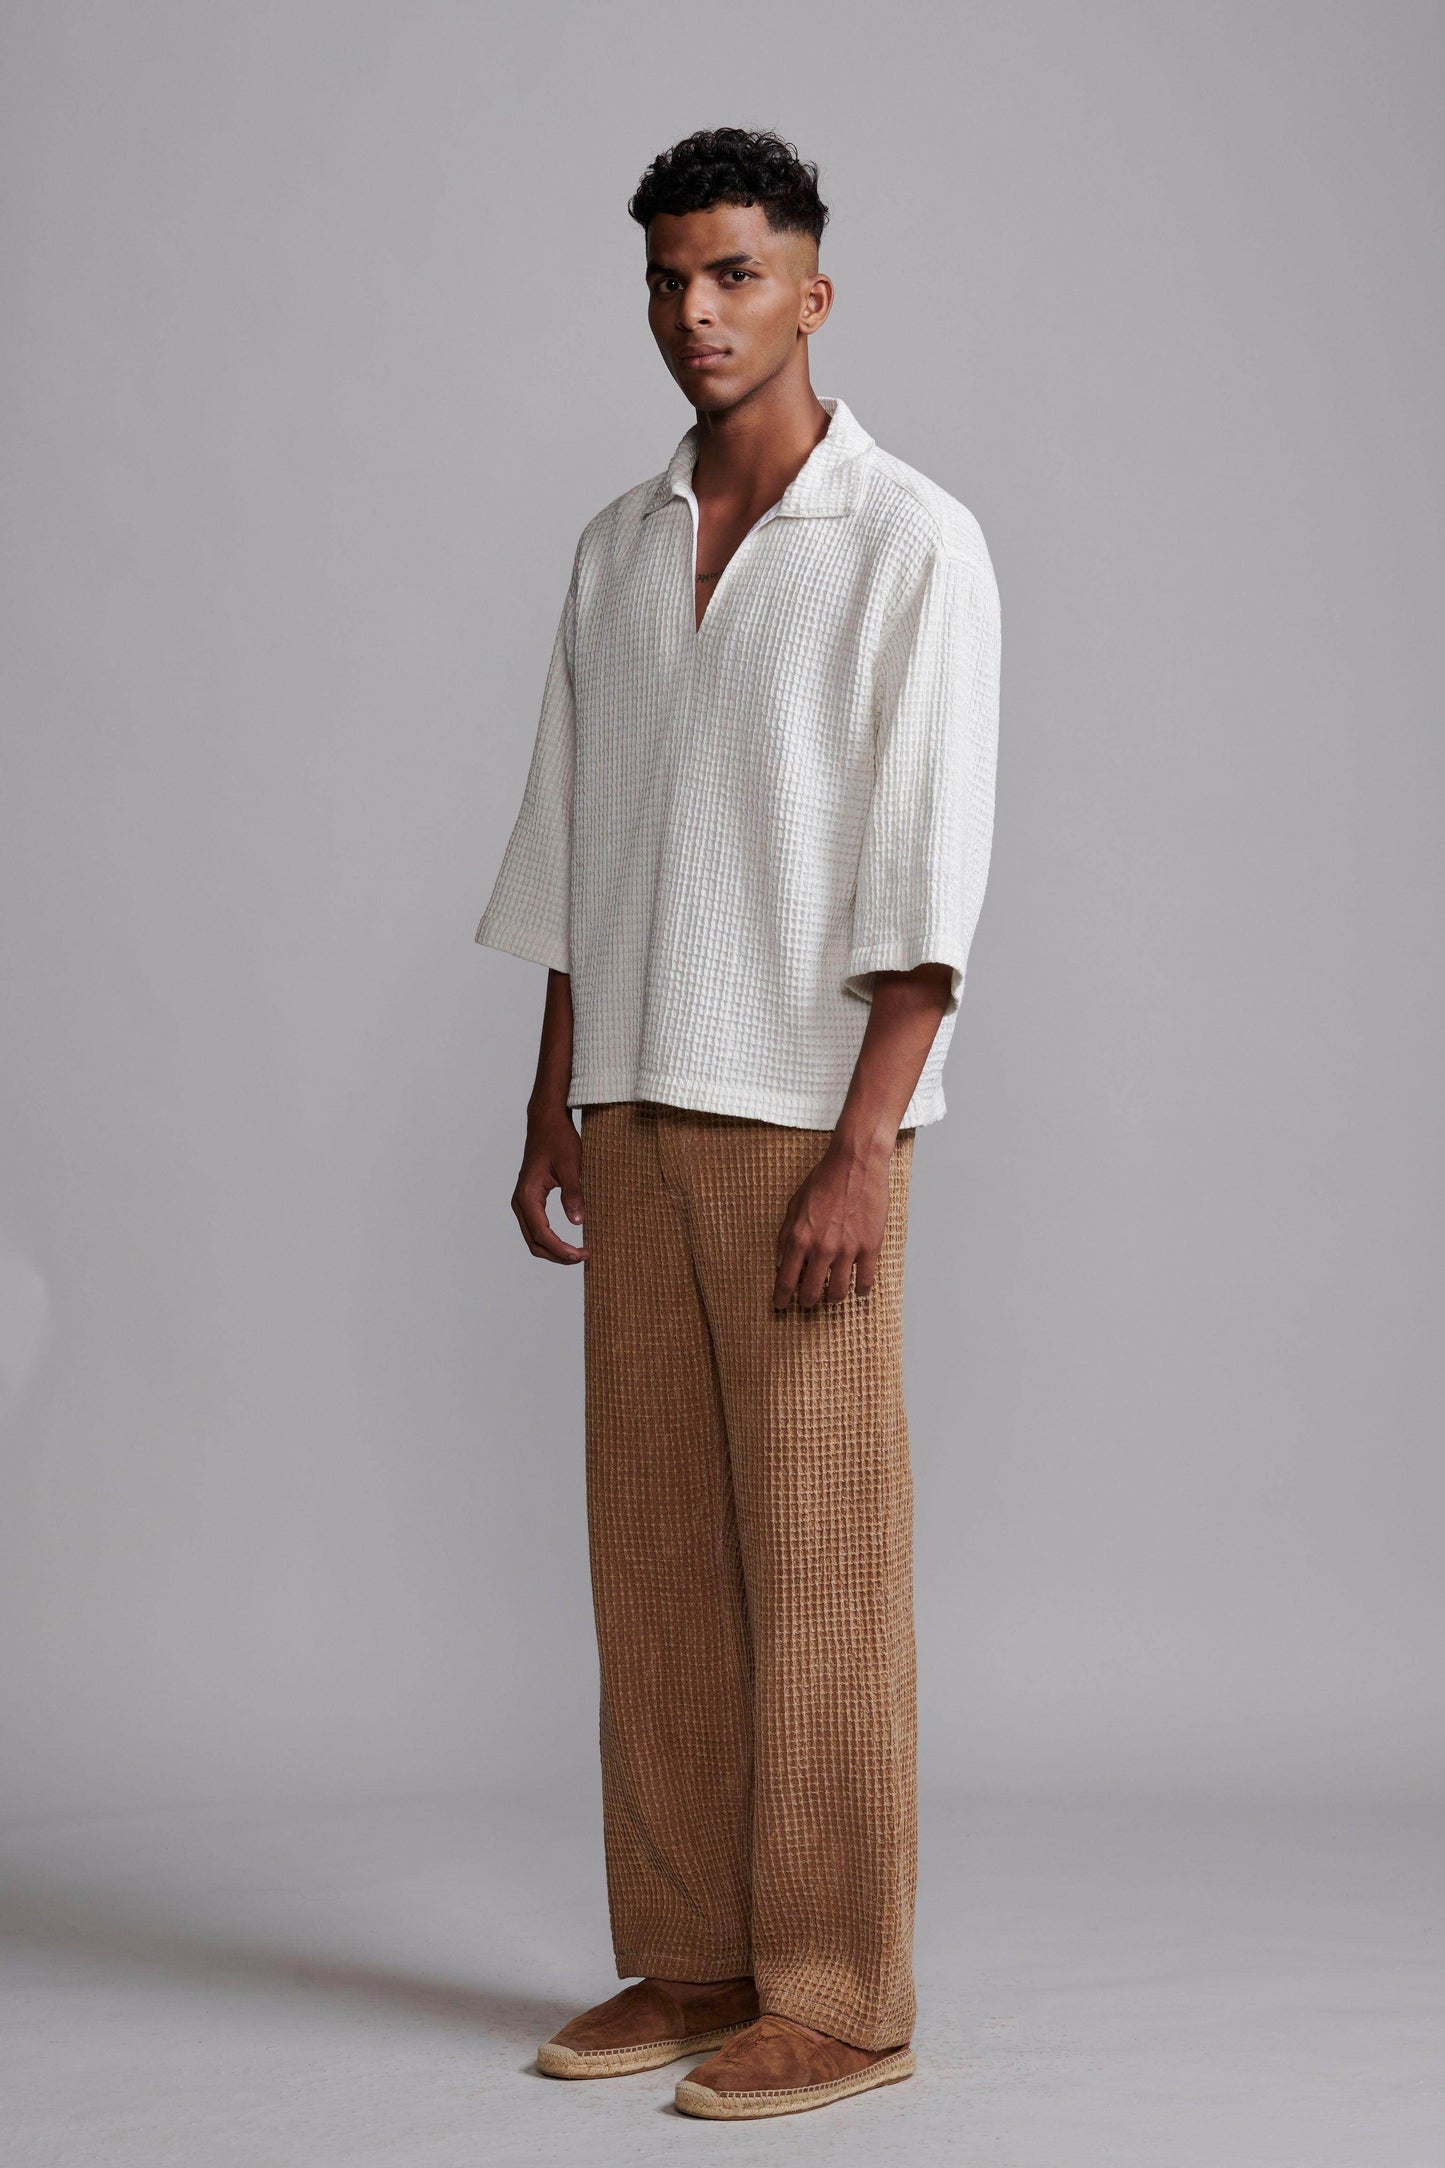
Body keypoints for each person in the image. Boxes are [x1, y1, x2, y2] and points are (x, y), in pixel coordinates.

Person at [474, 125, 1000, 2123]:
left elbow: (925, 869)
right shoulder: (618, 546)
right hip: (633, 1100)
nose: (696, 312)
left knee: (823, 1570)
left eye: (734, 275)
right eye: (669, 279)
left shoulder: (909, 538)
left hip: (805, 1120)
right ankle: (694, 1956)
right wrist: (557, 1097)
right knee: (659, 1566)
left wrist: (867, 1143)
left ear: (811, 292)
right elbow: (573, 844)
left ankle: (844, 1995)